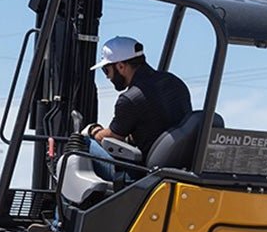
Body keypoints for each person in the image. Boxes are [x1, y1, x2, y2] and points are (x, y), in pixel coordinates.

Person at [82, 36, 192, 179]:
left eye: (106, 70)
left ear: (120, 66)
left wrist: (93, 130)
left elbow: (113, 137)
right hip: (177, 167)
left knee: (81, 142)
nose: (108, 77)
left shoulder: (129, 99)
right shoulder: (175, 83)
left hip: (142, 174)